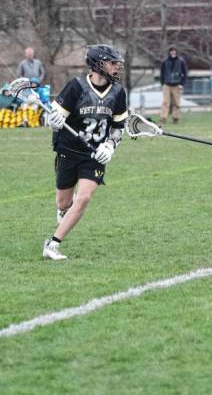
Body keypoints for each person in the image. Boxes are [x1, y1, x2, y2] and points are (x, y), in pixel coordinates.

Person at [42, 44, 128, 261]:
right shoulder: (76, 86)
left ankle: (52, 245)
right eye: (112, 63)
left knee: (84, 197)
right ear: (98, 64)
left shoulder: (118, 92)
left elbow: (118, 127)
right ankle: (64, 212)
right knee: (64, 203)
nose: (116, 68)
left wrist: (110, 146)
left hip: (95, 154)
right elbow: (53, 118)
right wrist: (53, 121)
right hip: (69, 150)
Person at [159, 45, 187, 124]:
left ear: (176, 52)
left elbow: (185, 73)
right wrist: (163, 83)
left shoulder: (181, 61)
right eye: (171, 50)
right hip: (167, 84)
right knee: (165, 102)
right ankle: (163, 118)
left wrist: (182, 84)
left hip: (177, 84)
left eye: (174, 50)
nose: (173, 52)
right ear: (169, 52)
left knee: (176, 103)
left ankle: (176, 118)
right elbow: (162, 73)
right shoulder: (165, 61)